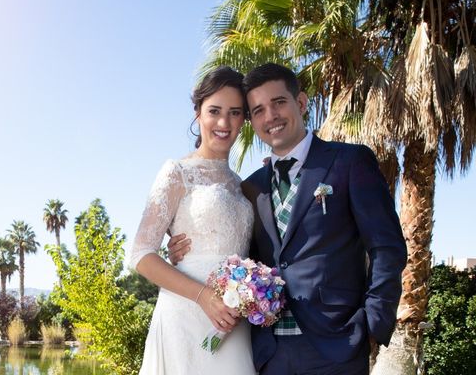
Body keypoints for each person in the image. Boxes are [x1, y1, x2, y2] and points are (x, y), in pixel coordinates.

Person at [169, 63, 407, 375]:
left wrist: (374, 321)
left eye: (279, 102)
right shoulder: (251, 186)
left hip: (338, 345)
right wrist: (181, 251)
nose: (270, 116)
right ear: (252, 121)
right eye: (258, 110)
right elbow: (241, 254)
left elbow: (386, 246)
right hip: (268, 352)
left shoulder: (348, 162)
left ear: (301, 103)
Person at [128, 66, 257, 375]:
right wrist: (203, 297)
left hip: (232, 321)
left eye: (235, 112)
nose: (224, 123)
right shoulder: (177, 172)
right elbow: (140, 255)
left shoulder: (245, 185)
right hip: (186, 314)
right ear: (198, 112)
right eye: (214, 111)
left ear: (244, 120)